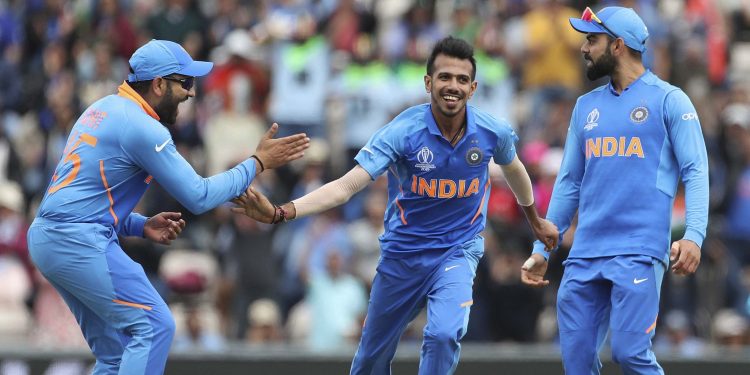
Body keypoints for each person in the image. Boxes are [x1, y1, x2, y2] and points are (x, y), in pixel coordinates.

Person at [234, 36, 558, 375]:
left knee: (444, 335)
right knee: (371, 360)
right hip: (403, 255)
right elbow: (346, 187)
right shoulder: (403, 131)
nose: (453, 86)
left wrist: (534, 219)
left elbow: (515, 167)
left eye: (462, 79)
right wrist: (280, 212)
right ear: (428, 82)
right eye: (445, 77)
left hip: (457, 251)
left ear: (473, 87)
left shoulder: (493, 131)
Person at [26, 39, 309, 375]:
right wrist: (257, 163)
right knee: (155, 325)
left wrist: (138, 225)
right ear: (158, 84)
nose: (191, 93)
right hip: (78, 242)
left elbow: (82, 201)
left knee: (116, 355)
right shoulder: (142, 126)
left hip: (50, 238)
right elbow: (198, 196)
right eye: (185, 82)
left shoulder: (101, 109)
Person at [521, 7, 709, 375]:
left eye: (592, 39)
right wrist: (543, 248)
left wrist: (695, 235)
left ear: (618, 45)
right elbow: (569, 182)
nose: (584, 48)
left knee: (629, 354)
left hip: (638, 251)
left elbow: (696, 170)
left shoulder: (670, 100)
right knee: (576, 363)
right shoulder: (584, 107)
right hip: (584, 254)